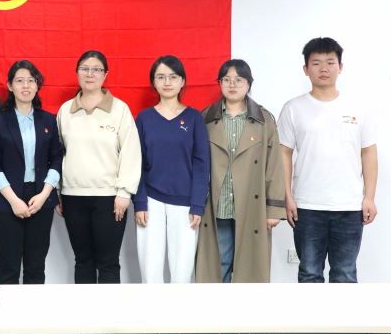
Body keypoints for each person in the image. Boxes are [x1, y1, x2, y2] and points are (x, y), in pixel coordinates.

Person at [278, 37, 377, 283]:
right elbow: (283, 153)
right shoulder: (293, 108)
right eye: (316, 63)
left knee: (345, 273)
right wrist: (287, 196)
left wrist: (369, 197)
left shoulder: (358, 107)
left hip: (349, 206)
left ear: (340, 67)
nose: (324, 68)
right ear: (306, 69)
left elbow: (368, 152)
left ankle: (341, 313)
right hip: (307, 206)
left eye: (330, 62)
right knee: (309, 273)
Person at [195, 59, 285, 283]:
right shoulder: (206, 118)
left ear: (249, 83)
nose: (232, 84)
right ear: (219, 83)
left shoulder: (264, 120)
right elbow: (197, 163)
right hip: (218, 204)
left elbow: (274, 166)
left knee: (250, 267)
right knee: (219, 264)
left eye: (238, 79)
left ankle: (245, 307)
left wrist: (274, 210)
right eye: (226, 79)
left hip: (252, 204)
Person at [56, 50, 141, 284]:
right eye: (84, 69)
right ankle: (85, 309)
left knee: (108, 262)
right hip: (73, 196)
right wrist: (58, 191)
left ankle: (108, 309)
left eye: (96, 69)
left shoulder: (119, 110)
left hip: (109, 198)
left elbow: (131, 152)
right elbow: (57, 153)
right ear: (77, 73)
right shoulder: (66, 111)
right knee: (82, 260)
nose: (90, 74)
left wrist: (124, 192)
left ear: (105, 75)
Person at [0, 60, 63, 285]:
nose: (26, 86)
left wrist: (45, 194)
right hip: (7, 199)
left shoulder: (48, 119)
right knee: (9, 266)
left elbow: (57, 158)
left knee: (36, 266)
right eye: (19, 81)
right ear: (10, 86)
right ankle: (8, 310)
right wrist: (13, 200)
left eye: (31, 80)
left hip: (41, 198)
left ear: (38, 85)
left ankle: (33, 310)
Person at [133, 55, 210, 283]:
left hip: (185, 203)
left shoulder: (194, 118)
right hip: (151, 201)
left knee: (182, 271)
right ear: (153, 82)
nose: (167, 82)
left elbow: (201, 163)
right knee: (150, 270)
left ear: (182, 81)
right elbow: (136, 162)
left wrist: (197, 204)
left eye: (173, 77)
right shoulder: (144, 118)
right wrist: (140, 202)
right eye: (161, 77)